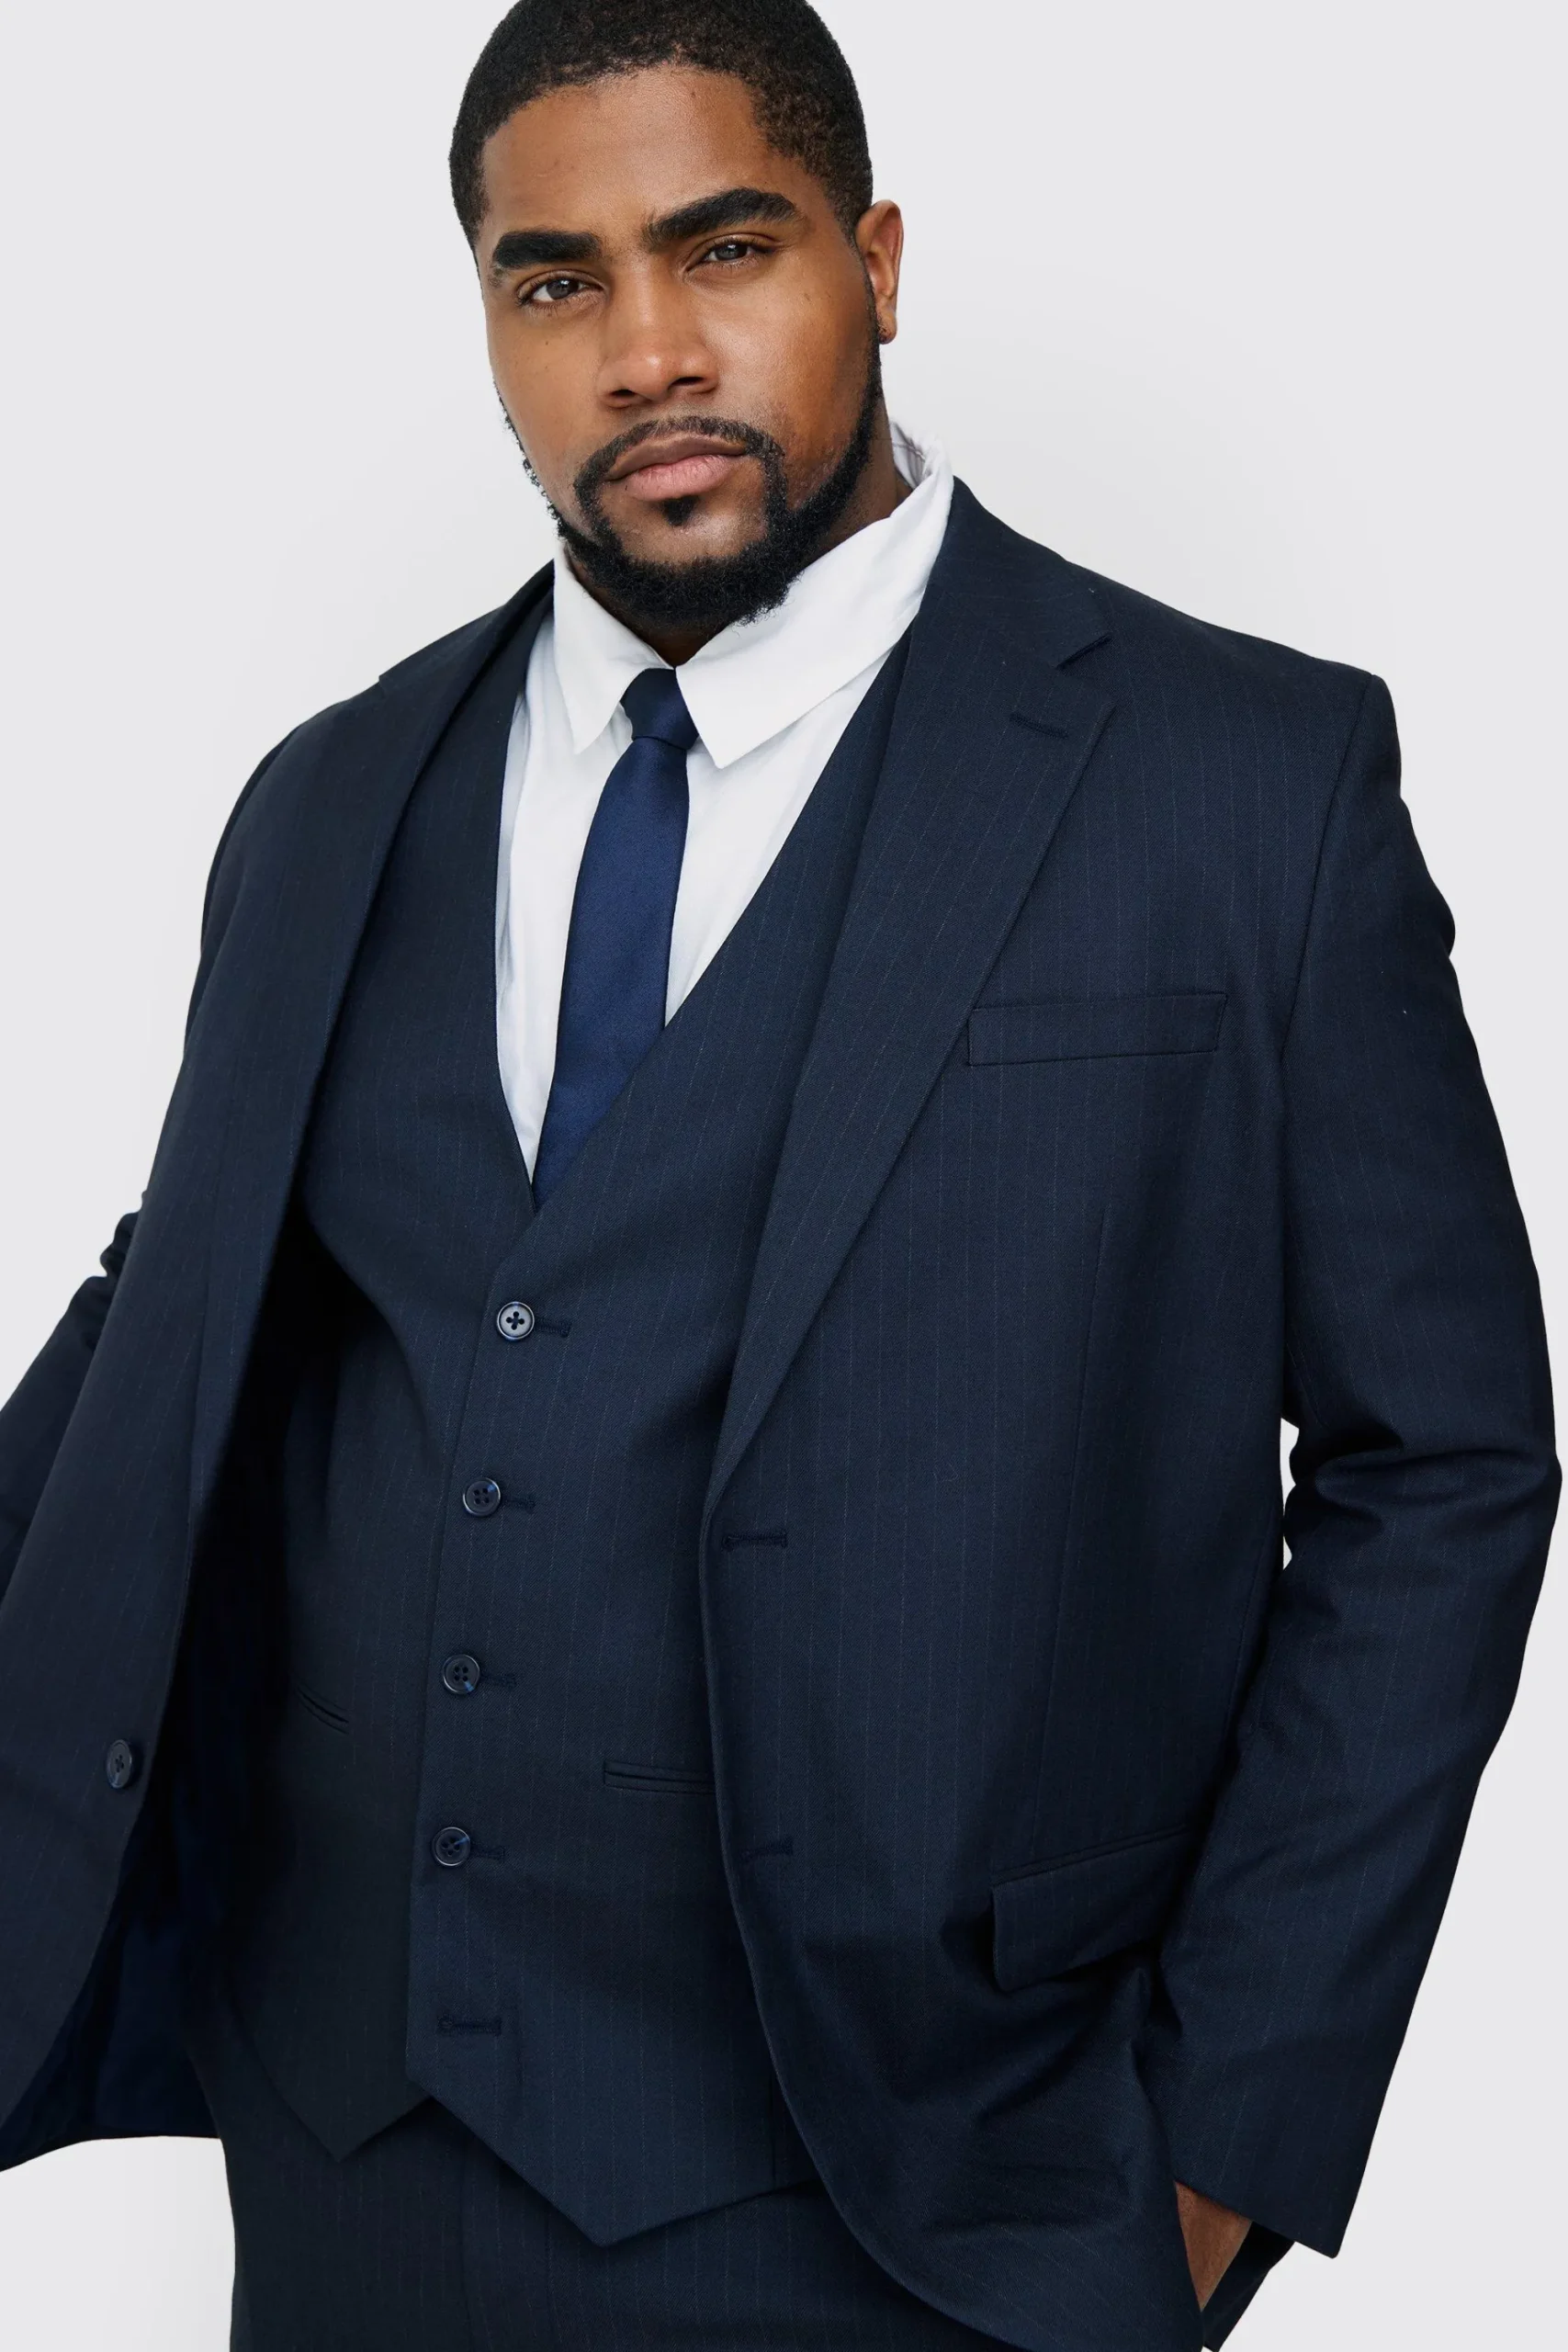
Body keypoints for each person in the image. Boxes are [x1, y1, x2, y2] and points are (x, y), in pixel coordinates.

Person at [0, 4, 1555, 2346]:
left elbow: (1438, 1461)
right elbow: (180, 1315)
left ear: (877, 259)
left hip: (928, 2190)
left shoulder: (1240, 783)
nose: (645, 349)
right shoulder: (325, 799)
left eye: (723, 247)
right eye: (555, 281)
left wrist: (1223, 2141)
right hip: (346, 2165)